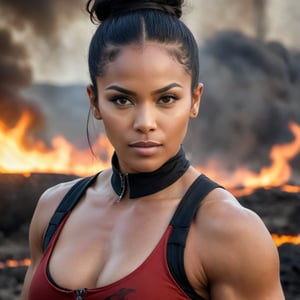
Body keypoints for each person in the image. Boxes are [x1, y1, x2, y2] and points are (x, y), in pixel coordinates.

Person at [21, 0, 285, 299]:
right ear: (94, 101)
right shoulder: (54, 208)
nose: (145, 123)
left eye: (166, 99)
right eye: (122, 100)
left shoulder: (230, 231)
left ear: (194, 100)